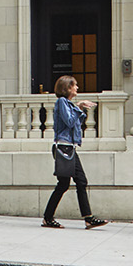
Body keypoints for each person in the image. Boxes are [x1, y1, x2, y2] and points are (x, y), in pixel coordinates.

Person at [41, 75, 108, 230]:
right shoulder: (62, 102)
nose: (77, 87)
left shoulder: (68, 104)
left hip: (69, 147)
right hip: (64, 148)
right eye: (75, 85)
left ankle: (87, 218)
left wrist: (78, 107)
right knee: (67, 183)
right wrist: (79, 107)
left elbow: (75, 124)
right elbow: (70, 122)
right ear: (67, 87)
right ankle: (49, 218)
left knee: (75, 182)